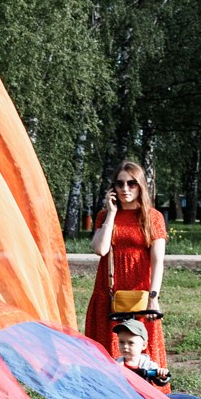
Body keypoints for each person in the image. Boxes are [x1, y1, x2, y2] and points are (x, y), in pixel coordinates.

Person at [86, 159, 168, 365]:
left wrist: (153, 296)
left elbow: (158, 261)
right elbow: (100, 249)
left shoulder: (153, 217)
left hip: (139, 292)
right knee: (108, 345)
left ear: (140, 186)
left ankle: (145, 392)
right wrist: (111, 214)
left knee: (139, 345)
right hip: (110, 290)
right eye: (119, 183)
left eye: (131, 183)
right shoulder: (105, 216)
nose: (125, 189)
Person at [111, 314, 169, 387]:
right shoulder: (116, 364)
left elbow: (159, 381)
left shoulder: (148, 365)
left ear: (143, 345)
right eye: (121, 342)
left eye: (131, 343)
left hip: (142, 396)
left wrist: (162, 375)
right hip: (123, 396)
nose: (125, 346)